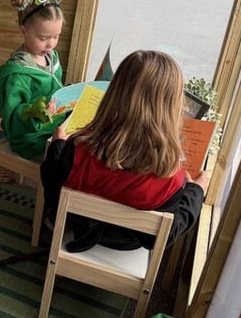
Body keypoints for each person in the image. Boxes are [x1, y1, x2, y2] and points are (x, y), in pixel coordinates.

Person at [41, 50, 210, 252]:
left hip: (78, 228)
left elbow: (52, 189)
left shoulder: (77, 151)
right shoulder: (171, 181)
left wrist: (58, 145)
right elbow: (162, 237)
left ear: (114, 94)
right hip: (124, 246)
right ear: (171, 109)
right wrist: (196, 192)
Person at [0, 0, 81, 160]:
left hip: (56, 123)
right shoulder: (17, 74)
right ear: (23, 31)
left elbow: (56, 90)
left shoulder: (52, 58)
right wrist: (34, 112)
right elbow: (13, 114)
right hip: (31, 137)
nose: (51, 44)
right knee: (76, 153)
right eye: (43, 38)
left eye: (56, 36)